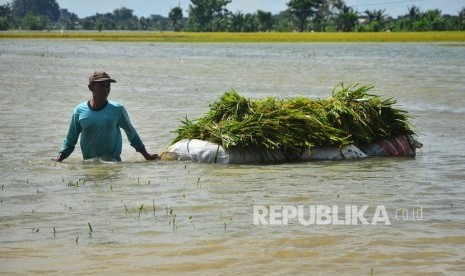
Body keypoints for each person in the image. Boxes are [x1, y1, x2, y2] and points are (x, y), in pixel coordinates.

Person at [53, 70, 158, 162]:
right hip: (89, 166)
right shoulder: (79, 111)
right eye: (101, 86)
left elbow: (132, 134)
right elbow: (71, 140)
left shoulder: (117, 110)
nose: (106, 89)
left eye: (108, 85)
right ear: (90, 88)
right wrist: (59, 158)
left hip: (112, 165)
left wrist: (146, 155)